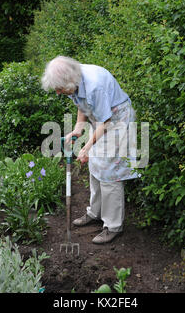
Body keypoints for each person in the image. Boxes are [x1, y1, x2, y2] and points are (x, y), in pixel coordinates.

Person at [41, 56, 139, 244]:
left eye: (60, 89)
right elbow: (82, 104)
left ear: (69, 81)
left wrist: (85, 147)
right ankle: (96, 213)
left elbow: (105, 122)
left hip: (117, 120)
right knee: (96, 165)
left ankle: (113, 226)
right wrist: (78, 128)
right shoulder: (73, 79)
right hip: (101, 119)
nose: (59, 93)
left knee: (110, 173)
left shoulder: (95, 86)